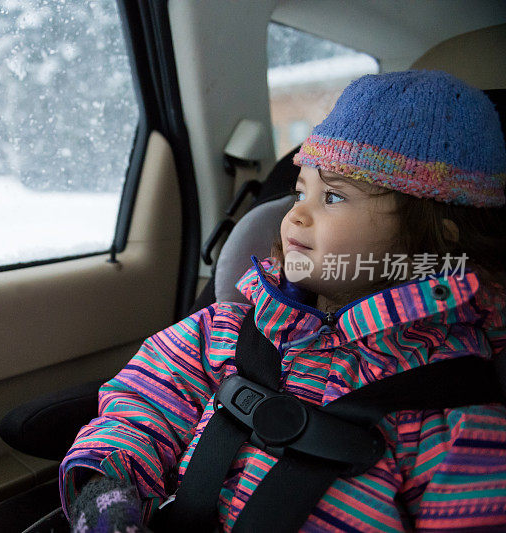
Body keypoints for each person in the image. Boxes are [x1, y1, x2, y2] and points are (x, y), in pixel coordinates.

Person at [60, 70, 506, 532]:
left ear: (432, 239)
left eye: (332, 196)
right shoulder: (231, 329)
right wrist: (107, 493)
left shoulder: (454, 409)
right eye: (300, 191)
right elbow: (143, 404)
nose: (296, 214)